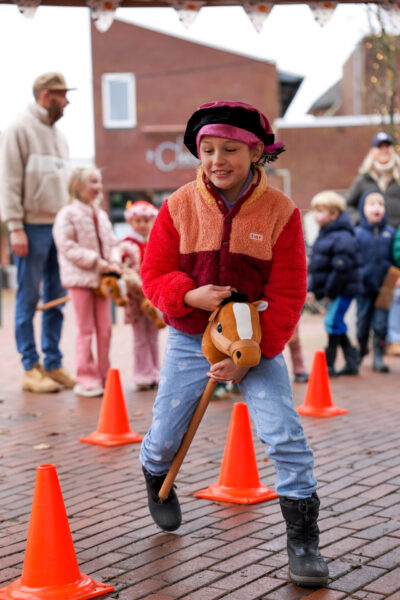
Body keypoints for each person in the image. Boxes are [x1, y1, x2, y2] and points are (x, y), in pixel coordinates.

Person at [139, 101, 329, 588]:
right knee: (165, 433)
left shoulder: (282, 212)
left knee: (284, 434)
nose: (217, 160)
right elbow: (154, 272)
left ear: (256, 152)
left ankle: (304, 541)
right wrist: (189, 295)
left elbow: (289, 291)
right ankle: (155, 473)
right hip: (190, 336)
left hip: (255, 338)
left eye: (229, 150)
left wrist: (251, 355)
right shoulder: (178, 206)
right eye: (208, 150)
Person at [0, 72, 76, 393]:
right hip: (30, 228)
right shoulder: (18, 129)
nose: (67, 101)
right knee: (28, 298)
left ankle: (53, 364)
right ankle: (30, 368)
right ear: (46, 95)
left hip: (59, 228)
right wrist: (15, 227)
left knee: (56, 299)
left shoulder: (60, 137)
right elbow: (8, 180)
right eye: (62, 95)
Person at [53, 167, 120, 397]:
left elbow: (112, 243)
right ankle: (86, 378)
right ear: (77, 185)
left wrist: (114, 261)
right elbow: (67, 246)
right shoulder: (66, 215)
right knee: (85, 330)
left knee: (105, 329)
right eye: (93, 181)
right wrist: (96, 262)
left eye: (99, 181)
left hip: (103, 281)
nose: (98, 186)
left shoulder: (101, 215)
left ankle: (104, 374)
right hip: (80, 280)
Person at [308, 191, 361, 377]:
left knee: (331, 322)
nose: (316, 215)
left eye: (320, 211)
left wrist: (330, 293)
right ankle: (352, 362)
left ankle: (329, 364)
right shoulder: (324, 234)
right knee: (335, 322)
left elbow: (340, 269)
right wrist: (313, 289)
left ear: (334, 214)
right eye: (315, 211)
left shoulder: (343, 236)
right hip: (334, 290)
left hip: (342, 290)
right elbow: (318, 266)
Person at [119, 199, 160, 391]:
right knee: (140, 336)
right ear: (130, 222)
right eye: (138, 221)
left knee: (153, 334)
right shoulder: (126, 246)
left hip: (153, 296)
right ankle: (142, 374)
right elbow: (124, 269)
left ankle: (156, 371)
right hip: (136, 297)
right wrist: (137, 283)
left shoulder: (157, 242)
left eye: (146, 220)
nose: (142, 224)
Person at [355, 191, 395, 372]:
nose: (377, 208)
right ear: (363, 210)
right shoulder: (358, 233)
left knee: (381, 324)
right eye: (371, 205)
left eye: (380, 205)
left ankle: (378, 356)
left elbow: (396, 257)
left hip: (386, 286)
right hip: (363, 286)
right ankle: (362, 349)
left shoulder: (390, 232)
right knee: (362, 323)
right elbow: (353, 259)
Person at [347, 132, 400, 228]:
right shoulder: (363, 180)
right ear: (372, 151)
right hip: (373, 234)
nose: (384, 150)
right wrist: (360, 221)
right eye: (380, 147)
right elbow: (348, 205)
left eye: (387, 146)